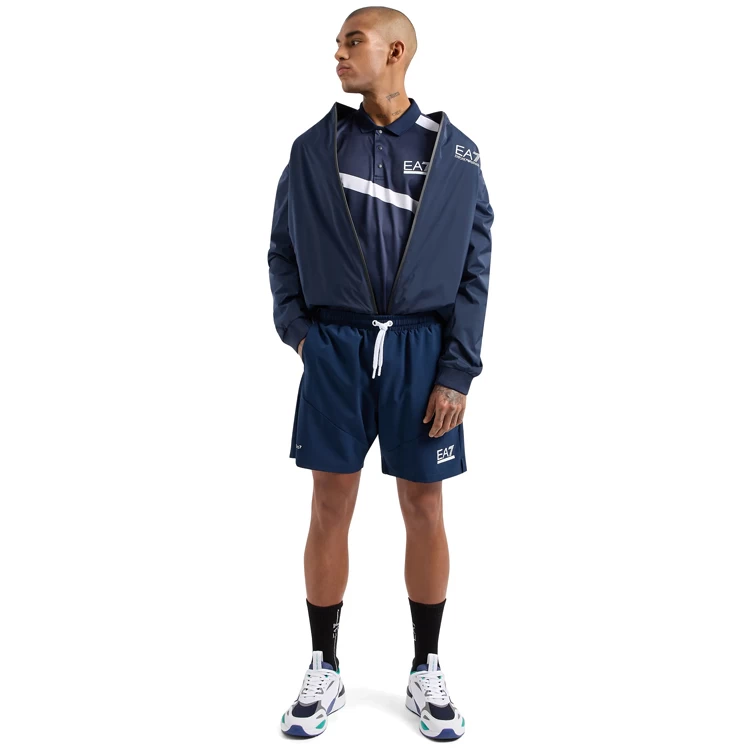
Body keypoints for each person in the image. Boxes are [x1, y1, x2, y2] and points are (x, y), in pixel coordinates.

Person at [269, 6, 494, 740]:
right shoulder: (313, 148)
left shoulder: (455, 154)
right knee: (328, 508)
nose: (337, 53)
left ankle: (426, 666)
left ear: (395, 52)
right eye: (338, 42)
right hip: (335, 349)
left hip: (422, 355)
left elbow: (475, 270)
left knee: (424, 508)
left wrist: (456, 372)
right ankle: (324, 666)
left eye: (352, 41)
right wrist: (302, 336)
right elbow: (281, 251)